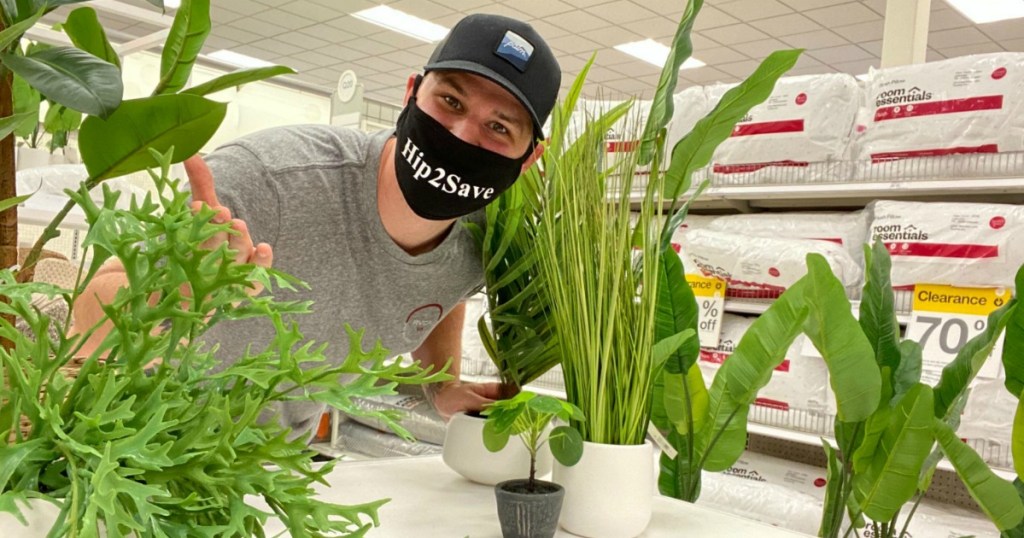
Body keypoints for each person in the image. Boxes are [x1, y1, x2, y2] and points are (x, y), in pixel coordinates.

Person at [71, 13, 562, 439]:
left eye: (498, 127)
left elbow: (444, 285)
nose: (460, 135)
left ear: (528, 157)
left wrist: (442, 383)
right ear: (412, 92)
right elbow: (90, 314)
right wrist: (179, 293)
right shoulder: (273, 178)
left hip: (264, 473)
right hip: (127, 453)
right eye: (451, 102)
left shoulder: (483, 238)